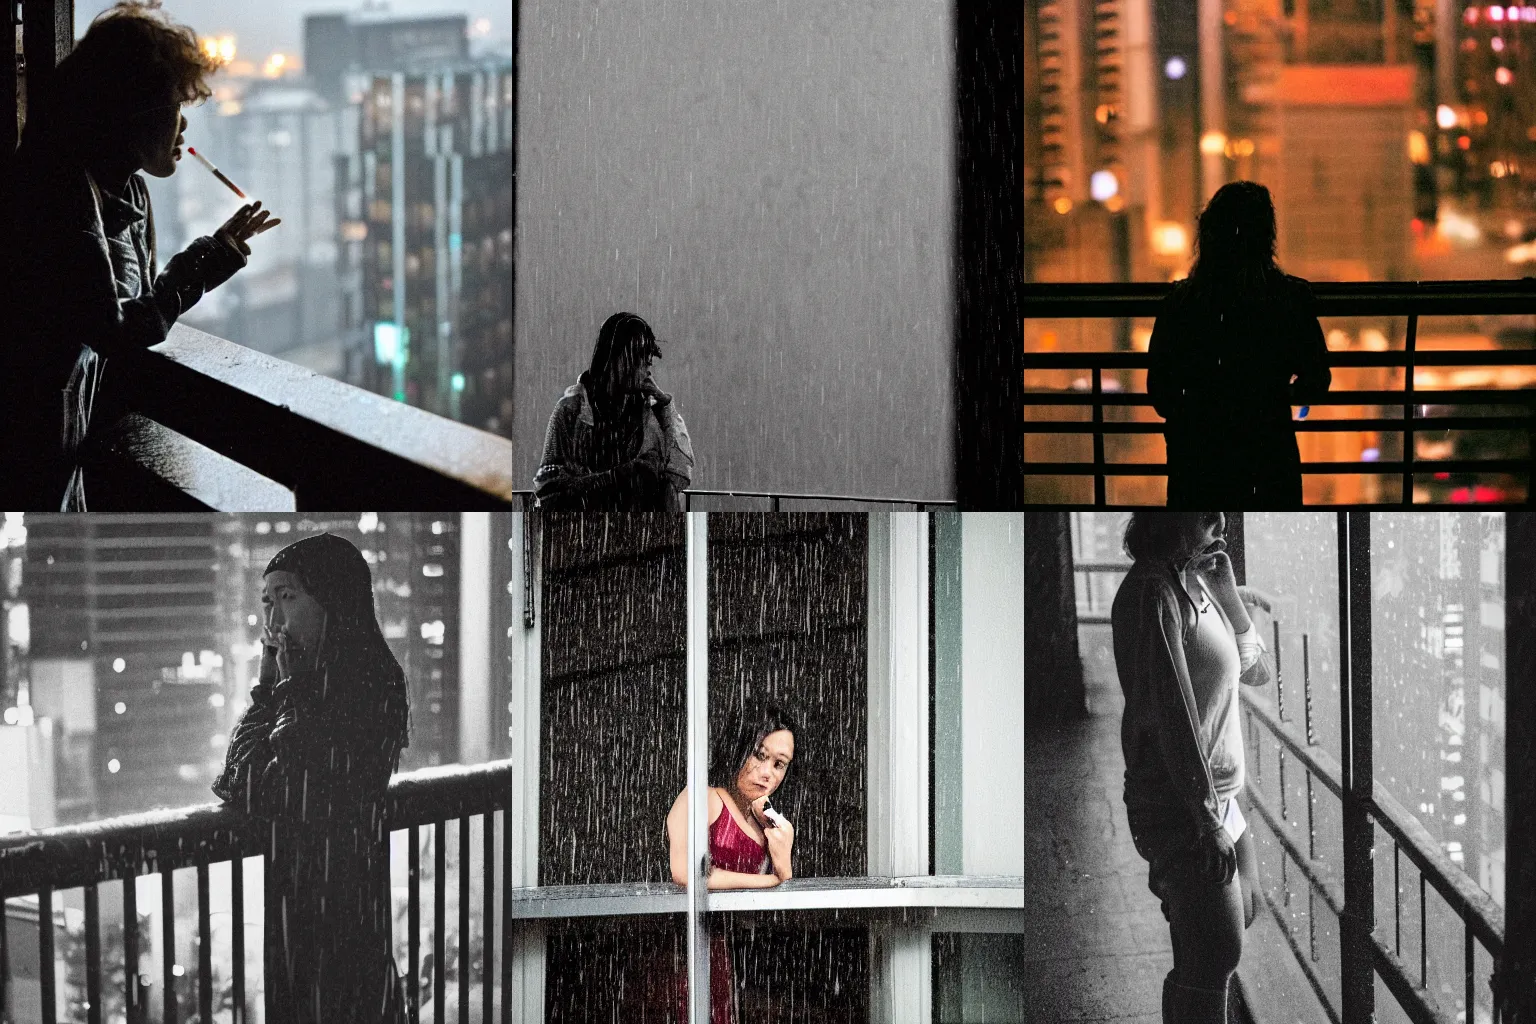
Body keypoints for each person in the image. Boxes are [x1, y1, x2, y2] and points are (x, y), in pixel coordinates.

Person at [0, 0, 279, 510]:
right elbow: (118, 329)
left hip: (65, 450)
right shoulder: (57, 185)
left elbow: (137, 310)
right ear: (134, 109)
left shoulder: (128, 192)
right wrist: (207, 260)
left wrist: (212, 254)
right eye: (177, 105)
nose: (184, 129)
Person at [211, 533, 411, 1024]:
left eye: (288, 598)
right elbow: (236, 782)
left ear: (332, 599)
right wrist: (267, 689)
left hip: (344, 912)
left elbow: (294, 784)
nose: (273, 621)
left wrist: (285, 688)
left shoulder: (370, 679)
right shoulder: (298, 682)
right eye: (266, 602)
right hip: (299, 917)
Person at [1110, 512, 1273, 1024]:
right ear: (1171, 517)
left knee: (1238, 919)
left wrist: (1229, 599)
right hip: (1184, 804)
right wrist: (1205, 819)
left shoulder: (1193, 583)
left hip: (1221, 799)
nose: (1220, 521)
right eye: (1205, 512)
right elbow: (1174, 716)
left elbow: (1259, 674)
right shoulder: (1151, 594)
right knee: (1214, 956)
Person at [1147, 181, 1331, 508]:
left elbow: (1160, 392)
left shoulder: (1180, 303)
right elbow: (1316, 380)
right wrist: (1274, 396)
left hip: (1197, 462)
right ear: (1266, 237)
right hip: (1268, 457)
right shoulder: (1289, 299)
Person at [664, 704, 798, 1024]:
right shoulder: (705, 797)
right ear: (738, 747)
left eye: (780, 764)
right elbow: (684, 871)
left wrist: (782, 855)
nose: (768, 773)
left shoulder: (758, 817)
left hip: (723, 951)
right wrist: (774, 879)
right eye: (759, 755)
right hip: (681, 948)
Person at [533, 311, 694, 510]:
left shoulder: (648, 412)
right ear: (617, 360)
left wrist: (665, 406)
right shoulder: (571, 410)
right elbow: (551, 491)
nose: (646, 370)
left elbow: (677, 472)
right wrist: (623, 475)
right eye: (639, 360)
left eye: (646, 362)